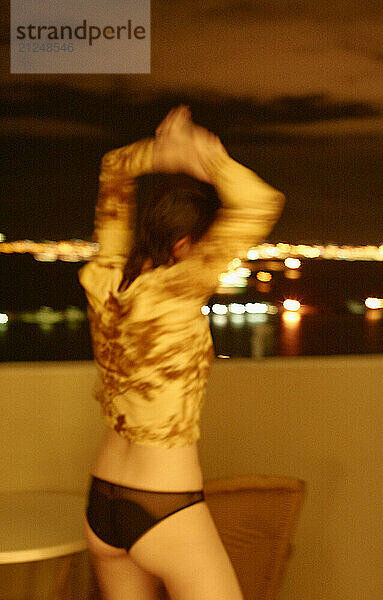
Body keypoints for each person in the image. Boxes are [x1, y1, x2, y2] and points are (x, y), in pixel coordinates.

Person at [78, 106, 285, 600]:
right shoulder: (176, 289)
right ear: (185, 244)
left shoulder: (104, 278)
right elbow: (261, 203)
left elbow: (114, 168)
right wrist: (205, 157)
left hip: (102, 499)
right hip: (164, 504)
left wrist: (157, 153)